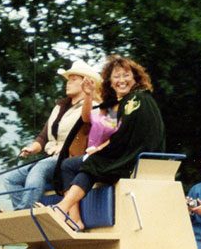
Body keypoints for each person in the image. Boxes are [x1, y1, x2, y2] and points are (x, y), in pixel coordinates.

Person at [50, 55, 165, 231]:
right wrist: (89, 96)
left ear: (135, 78)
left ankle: (63, 209)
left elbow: (124, 136)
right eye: (116, 76)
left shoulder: (135, 101)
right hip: (119, 152)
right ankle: (71, 215)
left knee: (91, 163)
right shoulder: (115, 105)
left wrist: (101, 150)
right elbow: (90, 119)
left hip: (129, 156)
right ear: (110, 82)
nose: (121, 80)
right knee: (74, 164)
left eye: (126, 75)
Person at [1, 60, 98, 210]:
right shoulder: (60, 107)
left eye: (73, 80)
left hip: (69, 159)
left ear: (86, 83)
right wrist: (32, 148)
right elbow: (44, 136)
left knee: (39, 168)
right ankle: (23, 213)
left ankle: (25, 212)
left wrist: (64, 148)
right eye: (68, 80)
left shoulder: (91, 106)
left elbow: (88, 131)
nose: (68, 83)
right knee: (10, 178)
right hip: (52, 159)